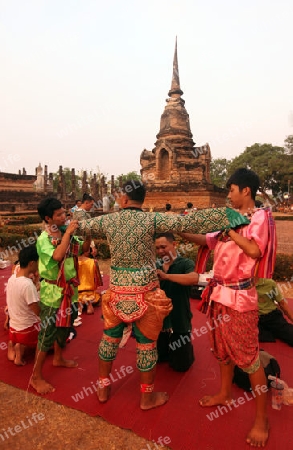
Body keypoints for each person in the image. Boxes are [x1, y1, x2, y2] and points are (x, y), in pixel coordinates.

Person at [76, 179, 250, 410]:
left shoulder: (109, 220)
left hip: (117, 292)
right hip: (146, 293)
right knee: (147, 345)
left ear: (125, 198)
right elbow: (189, 221)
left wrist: (74, 215)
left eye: (119, 196)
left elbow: (80, 225)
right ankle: (146, 398)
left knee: (109, 340)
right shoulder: (152, 219)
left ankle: (103, 387)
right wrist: (229, 216)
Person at [179, 168, 276, 447]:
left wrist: (230, 230)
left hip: (240, 298)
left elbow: (255, 251)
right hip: (219, 296)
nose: (229, 196)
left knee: (249, 358)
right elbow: (207, 241)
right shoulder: (228, 221)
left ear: (246, 191)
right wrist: (178, 228)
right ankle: (225, 393)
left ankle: (261, 419)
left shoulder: (259, 218)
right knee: (222, 351)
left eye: (231, 190)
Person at [29, 197, 91, 394]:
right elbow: (57, 256)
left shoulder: (66, 233)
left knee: (66, 325)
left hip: (69, 291)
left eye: (64, 213)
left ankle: (58, 358)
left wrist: (88, 235)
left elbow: (83, 249)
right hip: (52, 293)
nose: (64, 216)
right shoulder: (43, 239)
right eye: (59, 215)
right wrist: (69, 234)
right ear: (48, 218)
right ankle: (35, 376)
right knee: (47, 333)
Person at [155, 232, 198, 372]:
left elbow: (193, 278)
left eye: (163, 247)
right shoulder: (155, 265)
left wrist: (166, 276)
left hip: (180, 319)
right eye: (157, 248)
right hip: (159, 320)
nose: (160, 251)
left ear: (174, 245)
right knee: (159, 358)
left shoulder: (185, 263)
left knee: (182, 365)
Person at [6, 244, 40, 366]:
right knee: (51, 339)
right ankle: (21, 348)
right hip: (26, 330)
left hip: (13, 328)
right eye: (37, 262)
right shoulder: (27, 285)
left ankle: (12, 344)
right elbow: (37, 311)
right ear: (31, 263)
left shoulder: (12, 279)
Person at [256, 278, 293, 346]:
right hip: (254, 319)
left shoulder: (269, 283)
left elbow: (282, 303)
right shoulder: (242, 284)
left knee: (289, 333)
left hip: (272, 316)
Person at [74, 245, 103, 322]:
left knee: (75, 297)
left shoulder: (73, 262)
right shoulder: (93, 262)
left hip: (76, 292)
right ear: (86, 251)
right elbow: (98, 281)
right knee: (99, 296)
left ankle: (80, 303)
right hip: (90, 292)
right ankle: (88, 303)